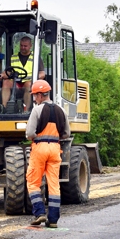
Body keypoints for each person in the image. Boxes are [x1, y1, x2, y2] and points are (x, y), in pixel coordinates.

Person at [25, 79, 70, 228]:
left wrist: (36, 137)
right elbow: (66, 134)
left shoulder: (37, 110)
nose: (34, 98)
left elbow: (30, 133)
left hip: (40, 148)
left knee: (33, 182)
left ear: (39, 95)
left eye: (34, 96)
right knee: (53, 183)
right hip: (55, 149)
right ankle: (53, 220)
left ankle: (39, 213)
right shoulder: (61, 110)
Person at [0, 35, 45, 112]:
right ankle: (4, 108)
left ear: (30, 46)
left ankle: (26, 110)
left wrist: (34, 78)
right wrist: (2, 75)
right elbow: (8, 71)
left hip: (29, 82)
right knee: (6, 82)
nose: (23, 47)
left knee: (28, 84)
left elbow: (42, 73)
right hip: (15, 83)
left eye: (25, 46)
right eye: (21, 45)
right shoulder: (13, 57)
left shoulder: (36, 58)